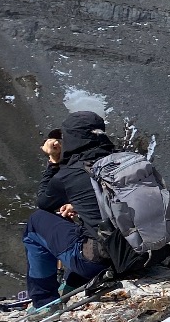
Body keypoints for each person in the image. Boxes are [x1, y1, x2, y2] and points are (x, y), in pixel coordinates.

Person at [23, 111, 118, 311]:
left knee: (35, 222)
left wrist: (53, 161)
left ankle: (44, 303)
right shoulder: (125, 161)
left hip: (102, 260)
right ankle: (73, 284)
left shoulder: (70, 173)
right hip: (142, 251)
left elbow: (44, 202)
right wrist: (78, 206)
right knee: (90, 230)